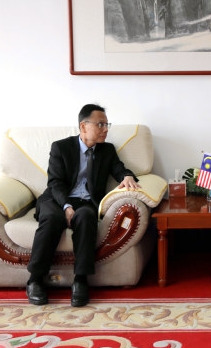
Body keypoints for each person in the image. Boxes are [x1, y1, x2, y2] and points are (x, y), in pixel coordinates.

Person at [26, 104, 140, 307]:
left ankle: (80, 280)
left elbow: (119, 169)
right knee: (52, 218)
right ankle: (35, 279)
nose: (105, 129)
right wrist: (66, 206)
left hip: (86, 202)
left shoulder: (107, 150)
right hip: (56, 198)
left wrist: (127, 176)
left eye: (107, 124)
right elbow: (55, 182)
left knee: (87, 217)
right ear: (83, 126)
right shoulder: (61, 147)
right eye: (100, 124)